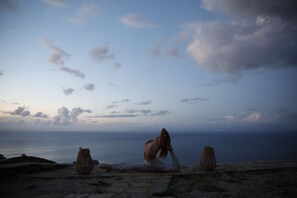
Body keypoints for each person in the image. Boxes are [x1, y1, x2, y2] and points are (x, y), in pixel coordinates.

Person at [99, 128, 180, 172]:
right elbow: (162, 133)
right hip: (147, 165)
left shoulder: (159, 144)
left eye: (162, 138)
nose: (160, 137)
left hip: (154, 166)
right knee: (128, 165)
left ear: (162, 141)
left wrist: (171, 149)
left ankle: (110, 167)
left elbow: (163, 130)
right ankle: (110, 167)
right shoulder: (153, 142)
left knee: (176, 168)